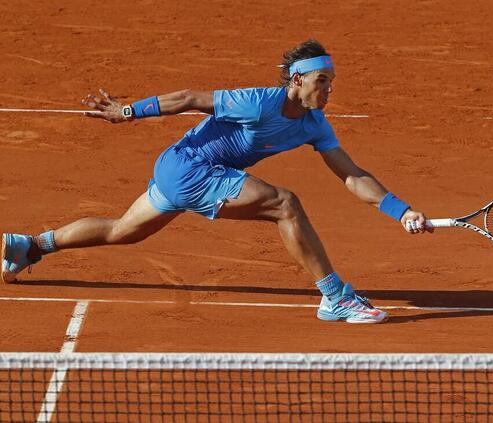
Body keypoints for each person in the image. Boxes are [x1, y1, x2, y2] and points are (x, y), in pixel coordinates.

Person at [1, 39, 430, 324]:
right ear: (298, 79)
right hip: (189, 166)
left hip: (179, 172)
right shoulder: (259, 101)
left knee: (122, 231)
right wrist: (127, 111)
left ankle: (31, 246)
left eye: (332, 82)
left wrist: (402, 210)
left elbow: (352, 176)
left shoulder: (315, 125)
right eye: (323, 81)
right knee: (285, 203)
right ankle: (334, 296)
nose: (329, 89)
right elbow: (189, 99)